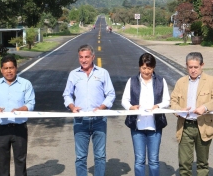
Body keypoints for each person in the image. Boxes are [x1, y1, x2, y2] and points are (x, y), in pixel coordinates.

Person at [63, 44, 115, 176]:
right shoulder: (73, 74)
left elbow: (111, 94)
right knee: (80, 157)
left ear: (93, 57)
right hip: (80, 121)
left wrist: (102, 107)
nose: (84, 60)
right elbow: (67, 94)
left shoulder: (103, 73)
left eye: (87, 57)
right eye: (81, 57)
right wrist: (72, 107)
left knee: (100, 156)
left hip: (99, 120)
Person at [170, 52, 213, 176]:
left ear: (202, 65)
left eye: (196, 67)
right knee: (184, 163)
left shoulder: (211, 81)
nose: (193, 70)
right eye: (190, 67)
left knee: (202, 163)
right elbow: (173, 101)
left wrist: (204, 107)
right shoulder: (181, 82)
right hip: (185, 126)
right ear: (186, 66)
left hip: (204, 126)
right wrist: (180, 110)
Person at [0, 55, 35, 176]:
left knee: (20, 160)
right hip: (1, 127)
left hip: (19, 127)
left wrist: (21, 109)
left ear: (16, 68)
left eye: (11, 68)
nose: (9, 71)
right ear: (1, 70)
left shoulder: (26, 84)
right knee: (1, 162)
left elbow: (31, 103)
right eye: (6, 68)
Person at [121, 53, 170, 176]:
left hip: (155, 127)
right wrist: (131, 107)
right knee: (139, 161)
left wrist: (158, 106)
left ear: (153, 68)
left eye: (149, 68)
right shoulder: (132, 81)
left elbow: (167, 101)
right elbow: (124, 100)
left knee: (153, 161)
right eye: (144, 68)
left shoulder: (161, 81)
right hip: (138, 127)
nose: (146, 71)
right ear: (139, 67)